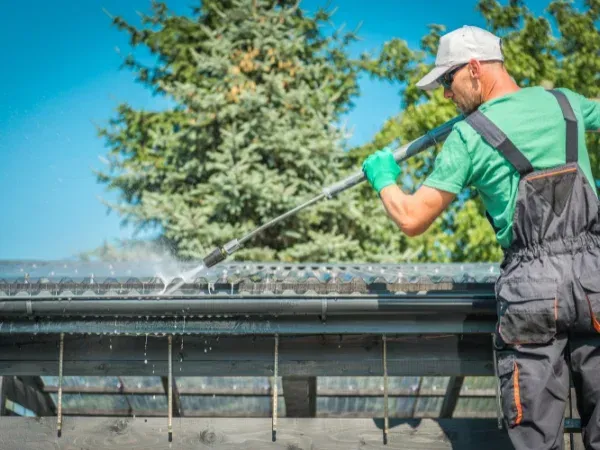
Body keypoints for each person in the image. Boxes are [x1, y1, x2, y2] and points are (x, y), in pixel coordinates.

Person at [362, 25, 600, 450]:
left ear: (474, 69)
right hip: (596, 280)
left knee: (533, 440)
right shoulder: (567, 104)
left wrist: (384, 178)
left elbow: (412, 218)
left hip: (533, 293)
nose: (446, 95)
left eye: (447, 81)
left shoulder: (469, 136)